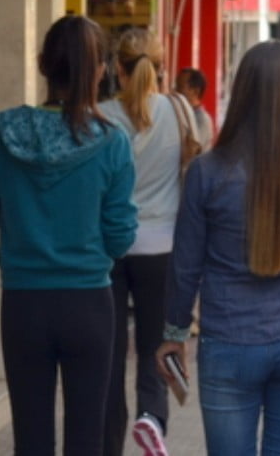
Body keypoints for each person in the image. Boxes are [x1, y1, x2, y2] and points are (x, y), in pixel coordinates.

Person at [0, 15, 138, 456]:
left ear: (41, 64)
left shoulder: (2, 132)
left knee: (31, 438)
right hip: (89, 304)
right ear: (101, 71)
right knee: (87, 439)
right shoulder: (112, 142)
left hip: (24, 304)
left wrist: (15, 204)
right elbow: (120, 237)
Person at [155, 40, 280, 455]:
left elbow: (185, 265)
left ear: (241, 92)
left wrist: (174, 334)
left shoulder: (207, 172)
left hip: (230, 340)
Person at [97, 27, 187, 455]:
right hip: (162, 247)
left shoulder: (100, 117)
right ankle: (152, 417)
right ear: (161, 66)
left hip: (110, 249)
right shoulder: (180, 110)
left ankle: (108, 440)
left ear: (117, 68)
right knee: (156, 342)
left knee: (110, 350)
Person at [175, 67, 214, 150]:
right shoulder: (183, 114)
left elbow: (192, 150)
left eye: (180, 87)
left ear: (196, 91)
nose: (175, 91)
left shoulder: (202, 119)